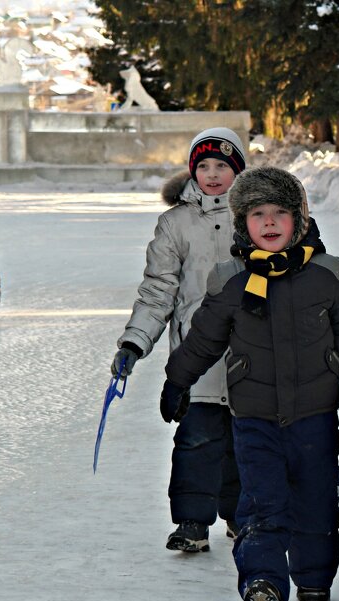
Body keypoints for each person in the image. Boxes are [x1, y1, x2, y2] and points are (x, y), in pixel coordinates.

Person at [161, 166, 339, 601]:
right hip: (254, 418)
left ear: (299, 219)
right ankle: (262, 583)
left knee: (317, 501)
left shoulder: (329, 276)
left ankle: (313, 579)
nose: (269, 222)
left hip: (315, 415)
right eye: (258, 214)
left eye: (280, 212)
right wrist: (178, 380)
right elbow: (203, 340)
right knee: (262, 503)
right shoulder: (230, 280)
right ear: (242, 222)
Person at [112, 127, 247, 553]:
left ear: (238, 171)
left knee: (246, 442)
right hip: (197, 356)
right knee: (198, 440)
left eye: (222, 166)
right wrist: (135, 342)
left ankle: (241, 516)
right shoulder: (176, 224)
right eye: (203, 166)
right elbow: (158, 290)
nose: (211, 174)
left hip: (252, 353)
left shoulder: (257, 216)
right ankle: (192, 522)